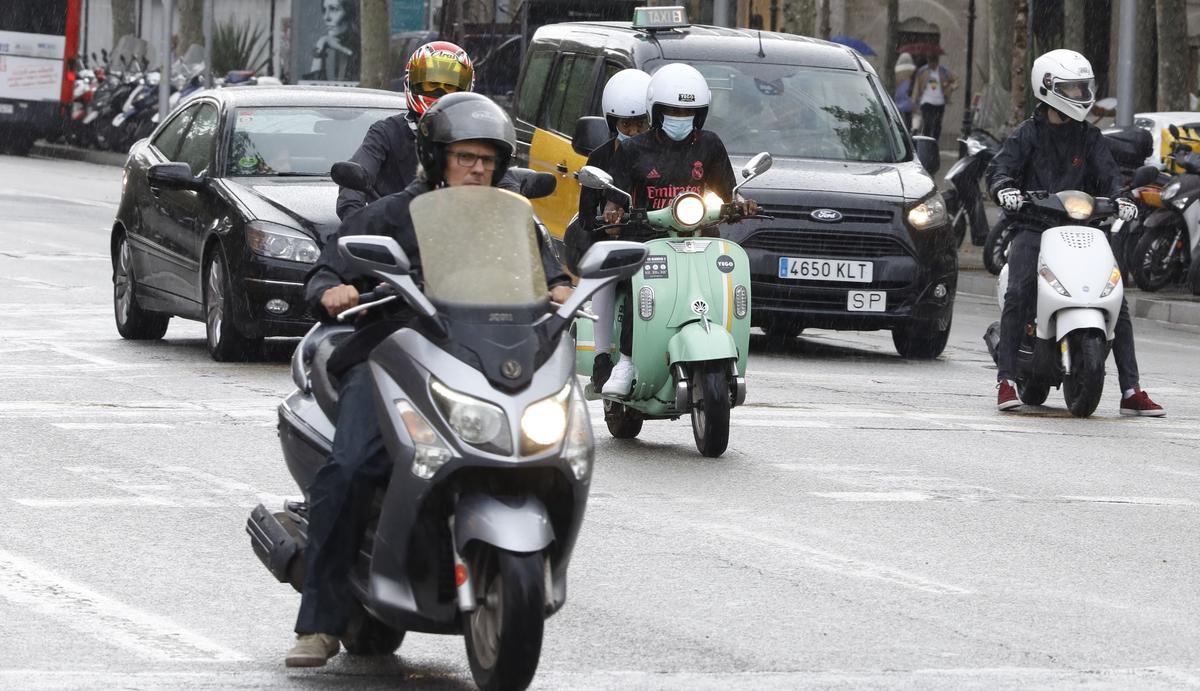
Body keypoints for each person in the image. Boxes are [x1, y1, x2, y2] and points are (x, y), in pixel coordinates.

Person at [286, 92, 573, 668]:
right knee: (351, 467)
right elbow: (329, 265)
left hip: (485, 359)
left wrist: (563, 287)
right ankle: (318, 622)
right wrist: (330, 290)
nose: (477, 169)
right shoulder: (396, 212)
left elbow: (553, 271)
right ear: (437, 158)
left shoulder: (514, 218)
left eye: (488, 159)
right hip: (395, 353)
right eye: (465, 157)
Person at [986, 48, 1164, 417]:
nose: (1082, 96)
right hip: (1034, 228)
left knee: (1117, 301)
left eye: (1084, 89)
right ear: (1048, 87)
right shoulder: (1027, 134)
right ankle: (1005, 380)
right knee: (1019, 289)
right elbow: (1001, 168)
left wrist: (1122, 198)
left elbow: (1110, 175)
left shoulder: (1089, 137)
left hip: (1082, 231)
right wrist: (1005, 187)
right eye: (1074, 89)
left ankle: (1131, 389)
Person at [600, 63, 758, 396]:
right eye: (672, 110)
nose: (679, 116)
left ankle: (722, 348)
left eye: (688, 111)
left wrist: (741, 204)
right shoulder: (631, 149)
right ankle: (626, 361)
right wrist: (615, 215)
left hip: (700, 239)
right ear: (656, 111)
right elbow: (614, 200)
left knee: (722, 287)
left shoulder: (710, 145)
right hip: (648, 239)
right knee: (637, 292)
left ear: (700, 114)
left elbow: (729, 192)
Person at [574, 68, 651, 390]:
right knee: (605, 274)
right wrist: (606, 223)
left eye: (640, 124)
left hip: (661, 241)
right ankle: (603, 356)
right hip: (620, 247)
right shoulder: (601, 157)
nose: (633, 131)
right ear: (612, 124)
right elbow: (585, 215)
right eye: (625, 125)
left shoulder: (668, 154)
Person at [336, 42, 474, 220]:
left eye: (449, 88)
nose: (439, 91)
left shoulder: (475, 137)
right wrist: (356, 222)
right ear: (410, 81)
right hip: (394, 233)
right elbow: (355, 182)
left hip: (457, 234)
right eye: (431, 84)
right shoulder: (385, 132)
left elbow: (502, 180)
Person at [306, 0, 359, 82]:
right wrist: (321, 43)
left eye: (333, 9)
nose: (326, 17)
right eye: (324, 10)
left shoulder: (360, 48)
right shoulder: (326, 46)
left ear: (349, 13)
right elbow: (314, 87)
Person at [912, 53, 955, 141]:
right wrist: (914, 100)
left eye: (932, 63)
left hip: (940, 102)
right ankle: (927, 142)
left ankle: (934, 142)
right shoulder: (923, 71)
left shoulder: (944, 71)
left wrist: (950, 87)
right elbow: (917, 87)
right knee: (927, 123)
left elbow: (955, 80)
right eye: (929, 62)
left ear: (936, 62)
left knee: (937, 125)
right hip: (926, 101)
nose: (931, 65)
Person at [893, 52, 916, 133]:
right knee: (908, 118)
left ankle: (901, 131)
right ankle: (907, 131)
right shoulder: (912, 71)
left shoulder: (897, 71)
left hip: (900, 97)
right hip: (907, 98)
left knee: (899, 117)